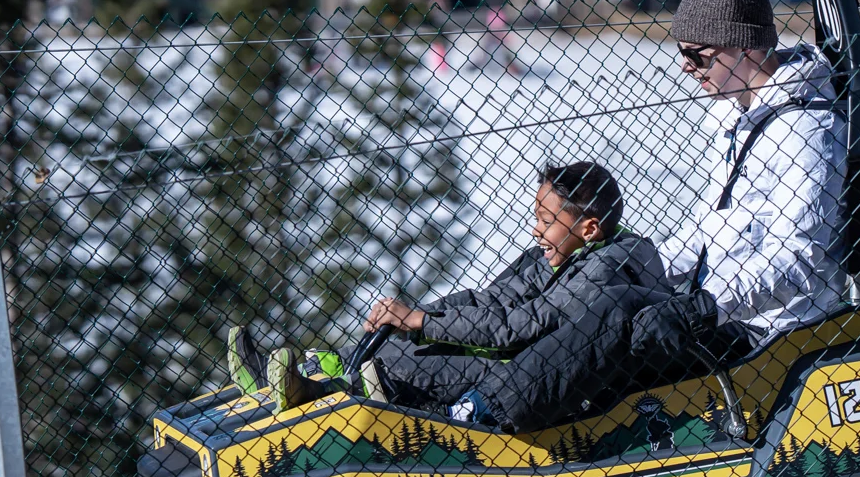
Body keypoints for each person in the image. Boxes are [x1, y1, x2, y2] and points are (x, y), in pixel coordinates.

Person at [426, 0, 850, 430]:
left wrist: (702, 307)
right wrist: (638, 263)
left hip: (764, 329)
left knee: (616, 309)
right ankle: (436, 381)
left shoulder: (805, 132)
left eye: (699, 56)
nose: (687, 67)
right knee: (591, 277)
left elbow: (799, 259)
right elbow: (716, 230)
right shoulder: (744, 117)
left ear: (745, 48)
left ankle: (489, 417)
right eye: (683, 55)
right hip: (715, 306)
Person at [226, 163, 664, 412]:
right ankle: (302, 378)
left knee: (425, 362)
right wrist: (418, 319)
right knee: (405, 345)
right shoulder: (561, 255)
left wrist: (423, 324)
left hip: (535, 373)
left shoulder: (603, 272)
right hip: (520, 351)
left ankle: (320, 394)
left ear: (588, 228)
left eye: (548, 221)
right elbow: (491, 300)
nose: (535, 230)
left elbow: (518, 327)